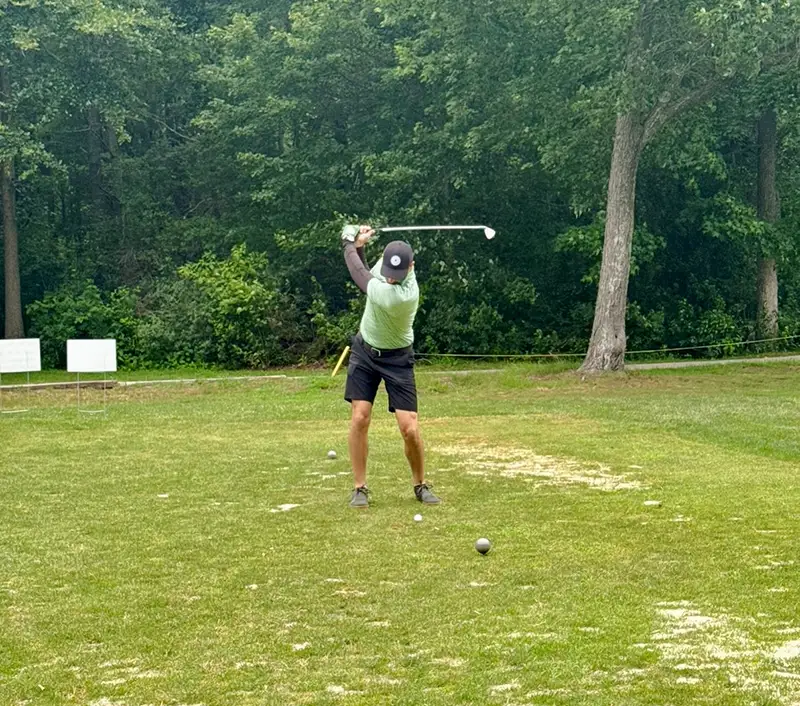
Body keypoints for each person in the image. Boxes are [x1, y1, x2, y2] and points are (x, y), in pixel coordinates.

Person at [341, 224, 441, 509]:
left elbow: (360, 278)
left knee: (409, 428)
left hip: (397, 358)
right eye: (388, 272)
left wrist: (348, 243)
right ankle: (360, 487)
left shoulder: (404, 295)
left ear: (411, 266)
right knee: (360, 417)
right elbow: (365, 269)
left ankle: (420, 484)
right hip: (365, 351)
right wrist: (360, 245)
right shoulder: (386, 267)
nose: (391, 279)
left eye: (397, 274)